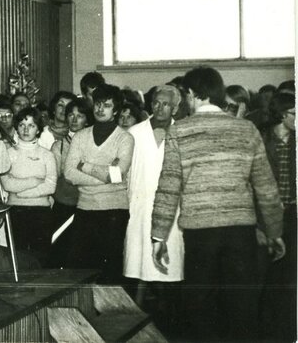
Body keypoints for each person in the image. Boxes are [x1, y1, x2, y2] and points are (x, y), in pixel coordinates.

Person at [151, 66, 285, 342]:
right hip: (241, 233)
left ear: (191, 94)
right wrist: (274, 231)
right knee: (241, 305)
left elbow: (168, 187)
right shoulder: (246, 129)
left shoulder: (180, 132)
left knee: (200, 306)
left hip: (200, 234)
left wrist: (158, 236)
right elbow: (266, 187)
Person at [64, 83, 134, 283]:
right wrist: (105, 173)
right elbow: (69, 173)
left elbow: (117, 174)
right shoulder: (80, 136)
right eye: (98, 104)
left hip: (114, 211)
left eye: (107, 105)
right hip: (85, 208)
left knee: (109, 271)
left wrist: (84, 165)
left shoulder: (125, 138)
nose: (100, 109)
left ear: (116, 110)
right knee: (79, 269)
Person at [124, 85, 184, 311]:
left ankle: (169, 319)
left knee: (171, 269)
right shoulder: (134, 133)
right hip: (138, 207)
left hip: (172, 211)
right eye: (156, 103)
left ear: (176, 108)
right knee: (139, 266)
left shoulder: (183, 132)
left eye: (166, 104)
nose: (160, 108)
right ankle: (136, 318)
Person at [258, 91, 295, 342]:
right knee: (267, 277)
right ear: (283, 115)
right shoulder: (261, 140)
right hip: (268, 216)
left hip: (293, 215)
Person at [1, 107, 57, 266]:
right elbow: (7, 183)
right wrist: (34, 180)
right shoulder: (8, 153)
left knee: (41, 257)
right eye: (22, 125)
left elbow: (50, 187)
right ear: (17, 127)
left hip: (41, 212)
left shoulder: (47, 155)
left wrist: (21, 193)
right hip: (15, 211)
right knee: (18, 257)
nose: (26, 129)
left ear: (38, 129)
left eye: (31, 125)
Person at [49, 98, 93, 268]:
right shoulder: (58, 146)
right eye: (71, 115)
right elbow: (58, 177)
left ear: (87, 119)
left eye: (80, 115)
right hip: (65, 205)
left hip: (88, 204)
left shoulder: (94, 145)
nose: (74, 119)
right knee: (62, 251)